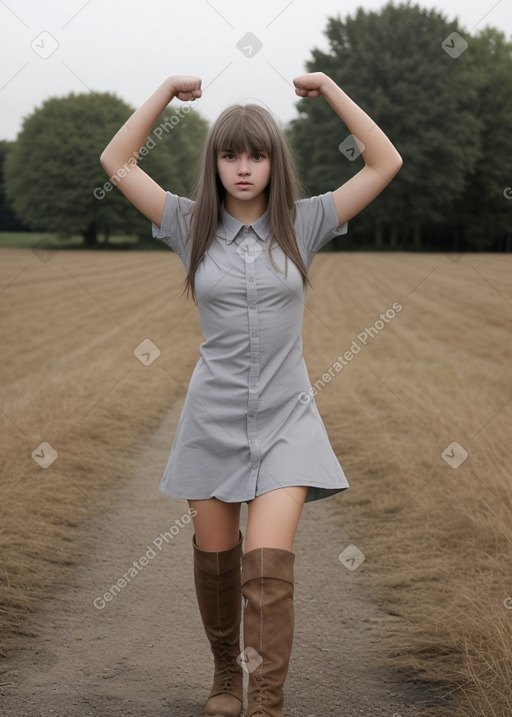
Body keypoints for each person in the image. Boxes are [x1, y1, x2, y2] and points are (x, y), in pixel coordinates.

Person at [100, 72, 402, 717]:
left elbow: (385, 161)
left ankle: (265, 701)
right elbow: (116, 161)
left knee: (268, 564)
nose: (243, 168)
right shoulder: (187, 224)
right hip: (210, 420)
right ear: (214, 162)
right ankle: (224, 676)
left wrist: (330, 87)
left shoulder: (306, 221)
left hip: (286, 421)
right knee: (217, 564)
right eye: (230, 154)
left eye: (256, 155)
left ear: (273, 161)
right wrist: (161, 92)